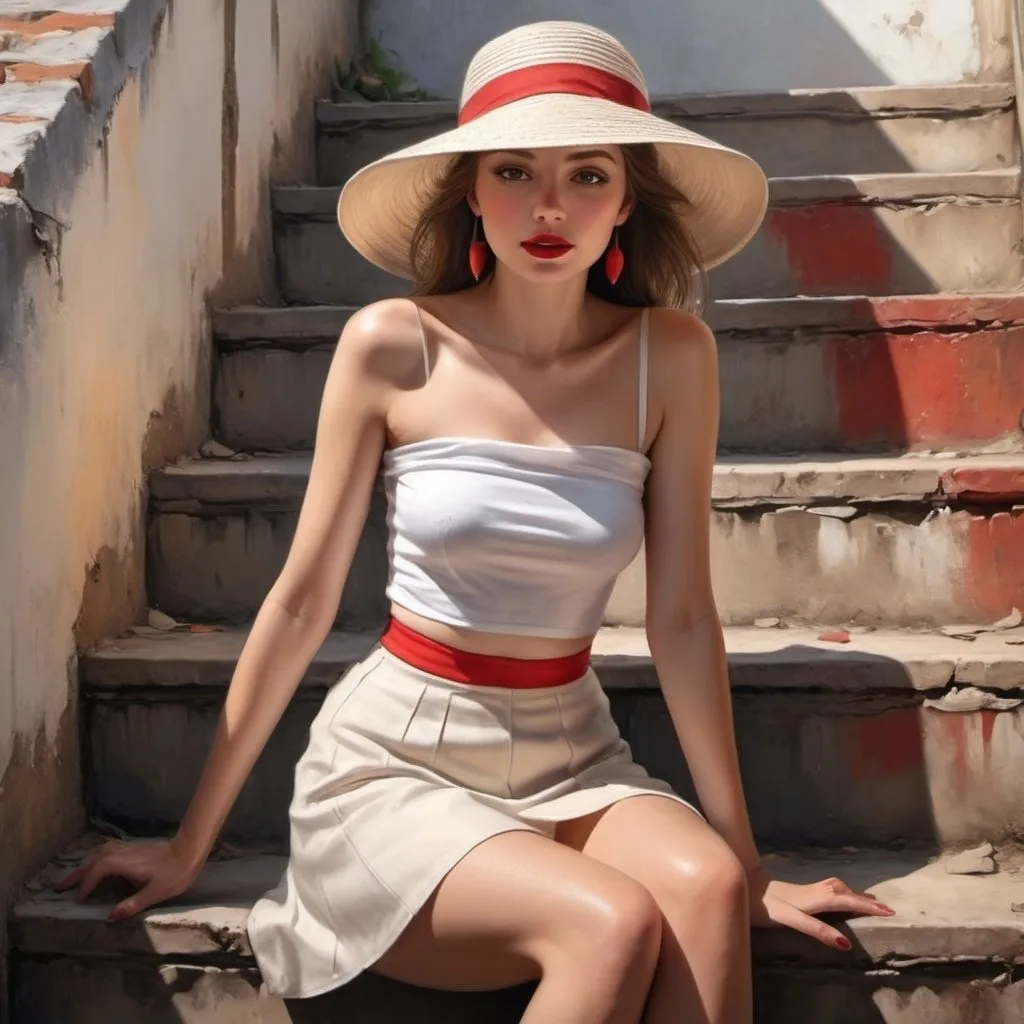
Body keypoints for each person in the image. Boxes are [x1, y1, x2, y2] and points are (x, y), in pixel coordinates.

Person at [57, 21, 895, 1024]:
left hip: (573, 753)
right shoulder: (390, 345)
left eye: (588, 174)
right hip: (397, 760)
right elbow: (300, 601)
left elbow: (680, 619)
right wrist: (193, 841)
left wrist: (748, 859)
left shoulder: (669, 356)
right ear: (469, 191)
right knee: (611, 923)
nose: (550, 206)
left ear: (627, 200)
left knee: (708, 891)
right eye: (513, 170)